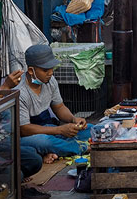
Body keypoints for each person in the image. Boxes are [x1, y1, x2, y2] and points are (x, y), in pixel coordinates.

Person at [17, 44, 90, 180]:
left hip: (49, 128)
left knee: (89, 129)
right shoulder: (21, 92)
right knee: (45, 142)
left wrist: (74, 120)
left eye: (51, 68)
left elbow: (59, 107)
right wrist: (60, 131)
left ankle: (62, 148)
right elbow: (24, 129)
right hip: (29, 135)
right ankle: (82, 147)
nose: (50, 73)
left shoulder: (50, 81)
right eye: (45, 70)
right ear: (31, 71)